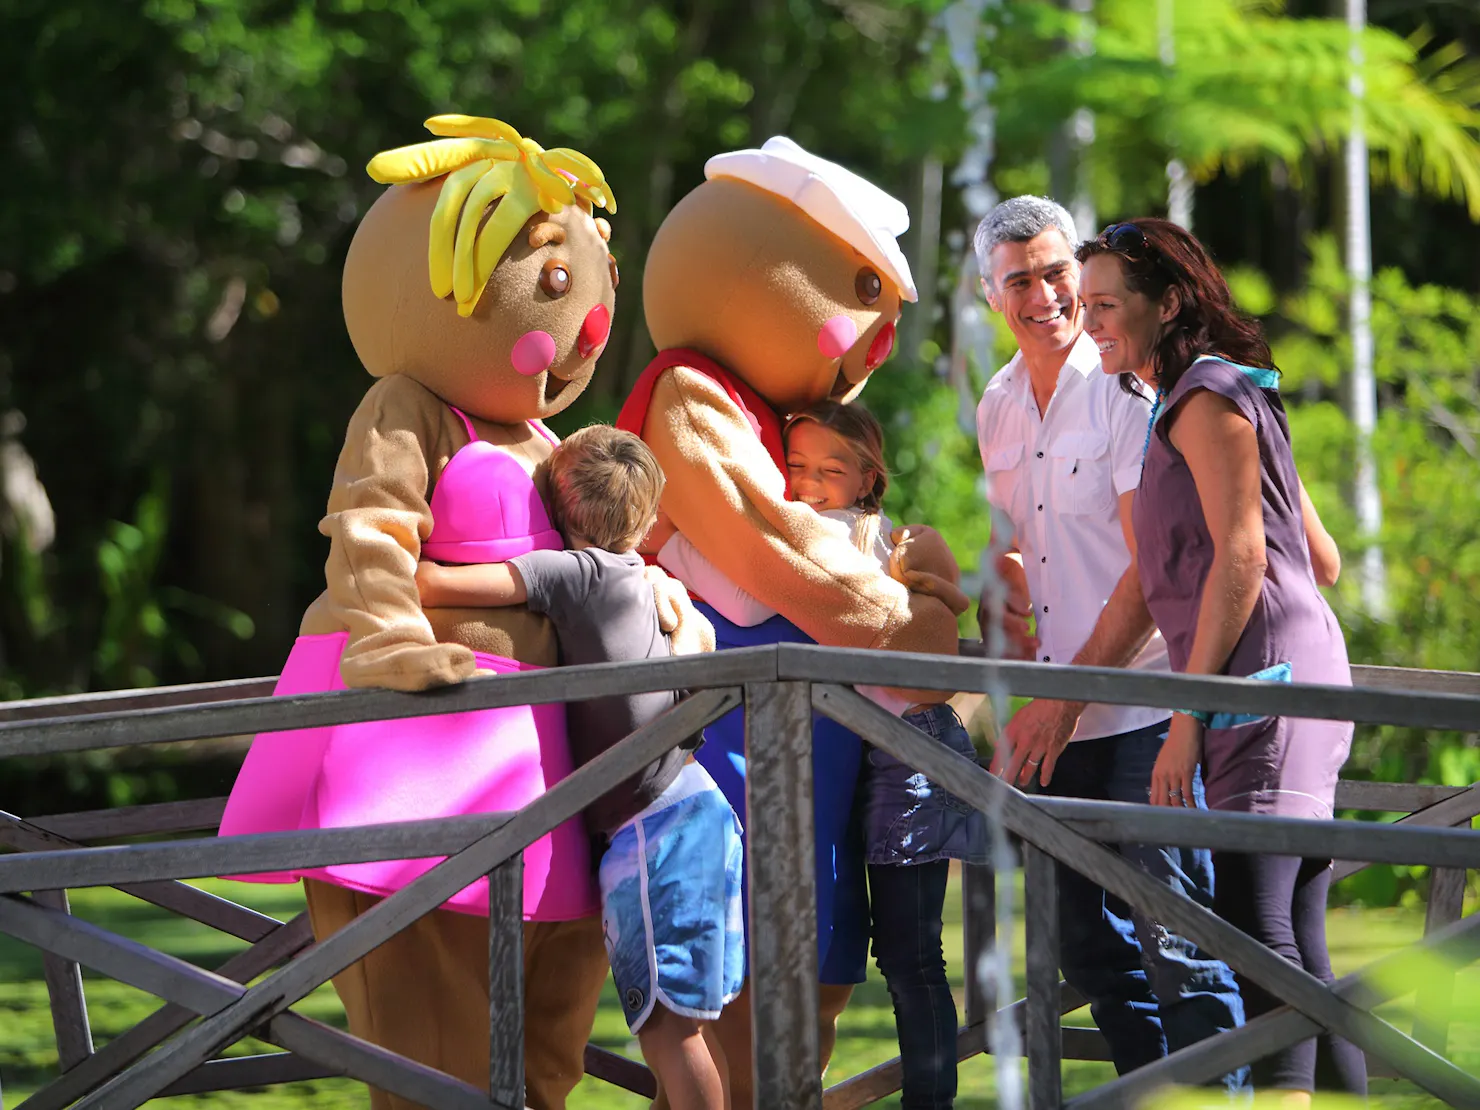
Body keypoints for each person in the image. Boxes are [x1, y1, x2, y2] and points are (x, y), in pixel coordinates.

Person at [1077, 217, 1364, 1101]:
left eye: (1107, 305)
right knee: (1297, 938)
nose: (1090, 324)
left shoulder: (1205, 397)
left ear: (1170, 302)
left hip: (1261, 684)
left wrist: (1188, 717)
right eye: (1082, 305)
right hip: (1290, 670)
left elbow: (1243, 558)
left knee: (1253, 928)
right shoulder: (1221, 395)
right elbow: (1321, 559)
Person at [972, 196, 1245, 1083]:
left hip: (1139, 711)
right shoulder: (999, 405)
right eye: (1020, 279)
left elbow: (1148, 568)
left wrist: (1063, 701)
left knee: (1185, 952)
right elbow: (1037, 546)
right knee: (1091, 957)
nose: (1045, 294)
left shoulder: (1128, 386)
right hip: (1057, 722)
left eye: (1057, 273)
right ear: (991, 296)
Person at [654, 400, 981, 1110]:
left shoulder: (868, 539)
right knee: (776, 958)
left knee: (863, 958)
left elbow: (746, 598)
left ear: (869, 479)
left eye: (831, 471)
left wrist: (684, 531)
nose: (808, 484)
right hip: (804, 766)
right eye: (795, 467)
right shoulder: (795, 533)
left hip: (872, 770)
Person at [415, 425, 743, 1110]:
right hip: (695, 810)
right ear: (647, 517)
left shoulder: (579, 574)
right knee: (683, 1033)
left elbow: (434, 585)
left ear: (559, 514)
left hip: (657, 826)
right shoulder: (642, 581)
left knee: (670, 1037)